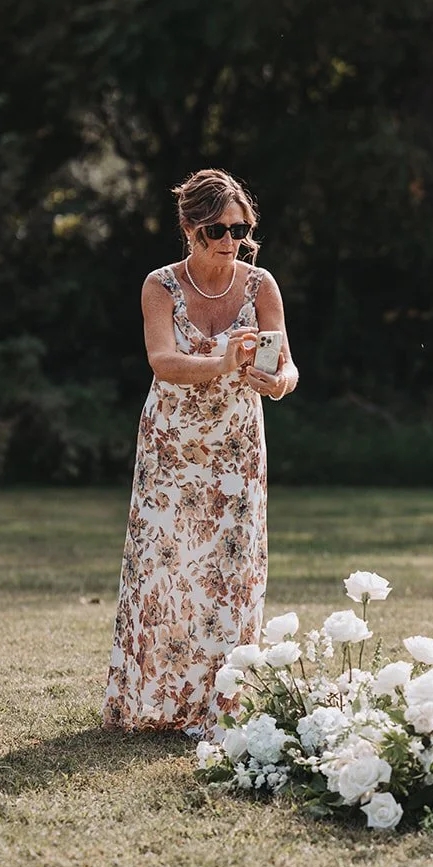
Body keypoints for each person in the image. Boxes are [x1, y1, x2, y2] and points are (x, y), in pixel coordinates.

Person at [103, 168, 297, 735]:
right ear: (189, 227)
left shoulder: (261, 285)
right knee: (164, 569)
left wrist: (278, 382)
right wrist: (222, 366)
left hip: (237, 445)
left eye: (240, 229)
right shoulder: (159, 285)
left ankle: (224, 705)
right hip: (172, 446)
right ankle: (156, 703)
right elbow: (162, 361)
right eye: (217, 229)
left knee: (229, 570)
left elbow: (286, 362)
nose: (230, 242)